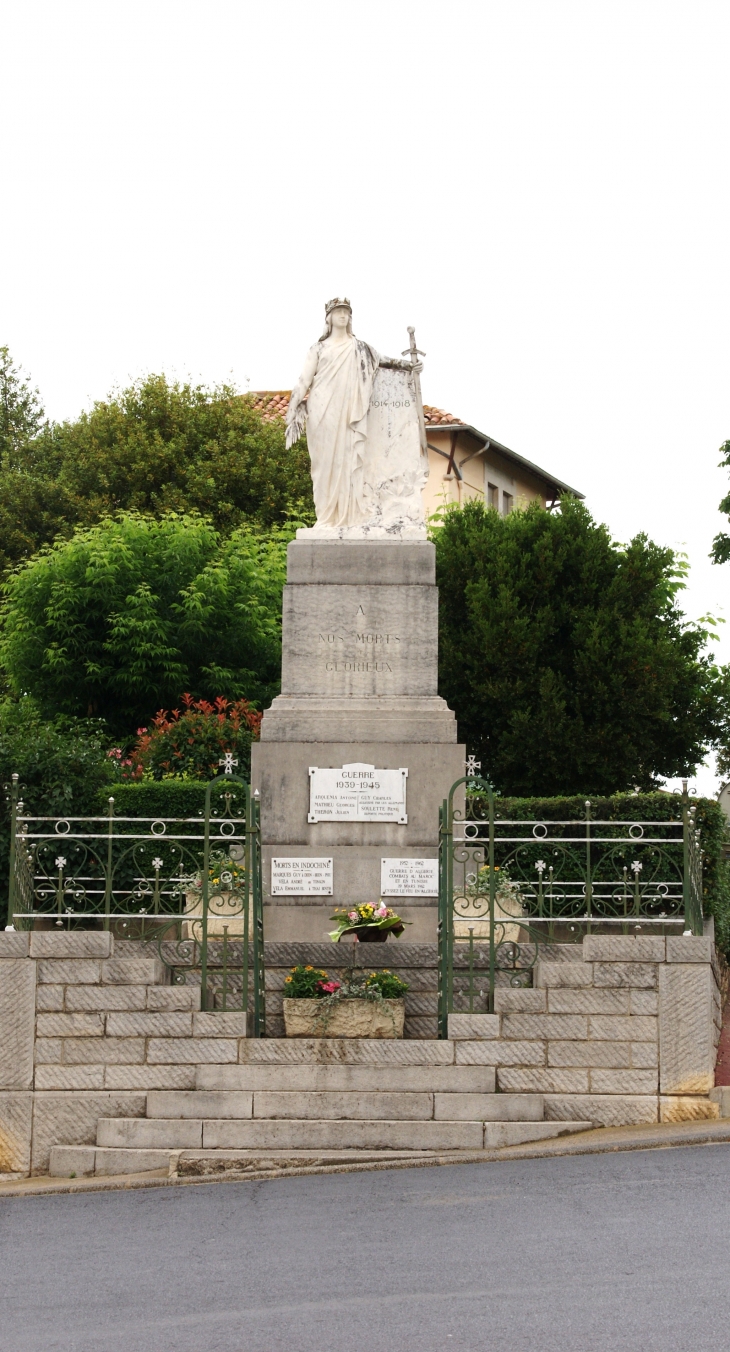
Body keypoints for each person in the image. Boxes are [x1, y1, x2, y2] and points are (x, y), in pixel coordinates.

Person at [286, 298, 421, 530]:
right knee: (324, 465)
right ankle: (325, 518)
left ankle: (349, 517)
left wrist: (409, 366)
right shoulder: (318, 349)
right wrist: (291, 411)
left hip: (350, 411)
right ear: (328, 317)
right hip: (323, 411)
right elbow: (303, 381)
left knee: (348, 461)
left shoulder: (360, 348)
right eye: (338, 311)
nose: (342, 315)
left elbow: (384, 361)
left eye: (346, 312)